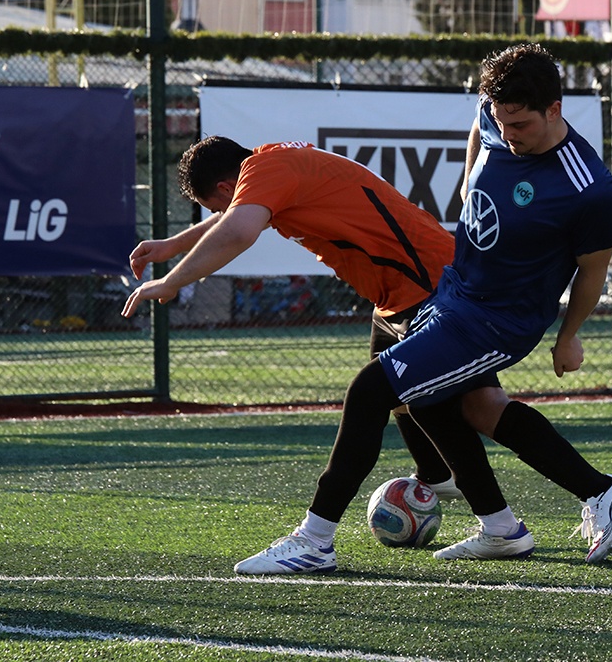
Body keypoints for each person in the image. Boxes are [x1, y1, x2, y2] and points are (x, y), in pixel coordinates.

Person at [232, 42, 612, 574]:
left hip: (498, 321)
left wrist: (569, 336)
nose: (508, 134)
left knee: (371, 390)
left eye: (520, 125)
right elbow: (481, 128)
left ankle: (314, 540)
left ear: (555, 110)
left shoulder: (590, 190)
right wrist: (470, 185)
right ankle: (521, 522)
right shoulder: (495, 119)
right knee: (444, 403)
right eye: (502, 121)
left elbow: (593, 272)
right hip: (454, 293)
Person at [124, 134, 498, 499]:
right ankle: (439, 477)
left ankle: (496, 517)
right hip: (397, 293)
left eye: (216, 207)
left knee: (476, 406)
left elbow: (236, 230)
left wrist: (171, 282)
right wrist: (173, 245)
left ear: (227, 187)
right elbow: (234, 217)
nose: (220, 215)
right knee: (401, 395)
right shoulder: (271, 166)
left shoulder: (265, 171)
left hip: (427, 282)